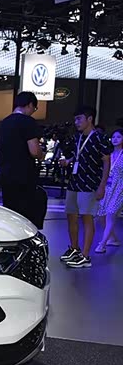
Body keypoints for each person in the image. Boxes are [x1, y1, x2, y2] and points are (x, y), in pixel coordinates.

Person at [59, 106, 113, 268]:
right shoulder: (78, 138)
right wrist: (68, 161)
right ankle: (74, 249)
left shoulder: (100, 138)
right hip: (74, 182)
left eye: (79, 119)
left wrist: (102, 185)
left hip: (90, 184)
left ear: (89, 119)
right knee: (71, 216)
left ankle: (85, 255)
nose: (76, 122)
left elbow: (106, 163)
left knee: (87, 218)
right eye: (75, 119)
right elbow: (77, 156)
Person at [0, 92, 45, 226]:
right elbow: (34, 151)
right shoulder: (27, 122)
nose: (33, 112)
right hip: (24, 174)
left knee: (10, 211)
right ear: (30, 105)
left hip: (6, 173)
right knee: (26, 214)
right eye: (34, 108)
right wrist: (41, 154)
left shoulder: (4, 122)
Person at [95, 128, 123, 253]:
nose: (115, 139)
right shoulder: (108, 155)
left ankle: (102, 244)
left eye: (119, 137)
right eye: (114, 137)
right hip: (107, 187)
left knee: (111, 213)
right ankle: (113, 239)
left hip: (120, 188)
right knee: (101, 215)